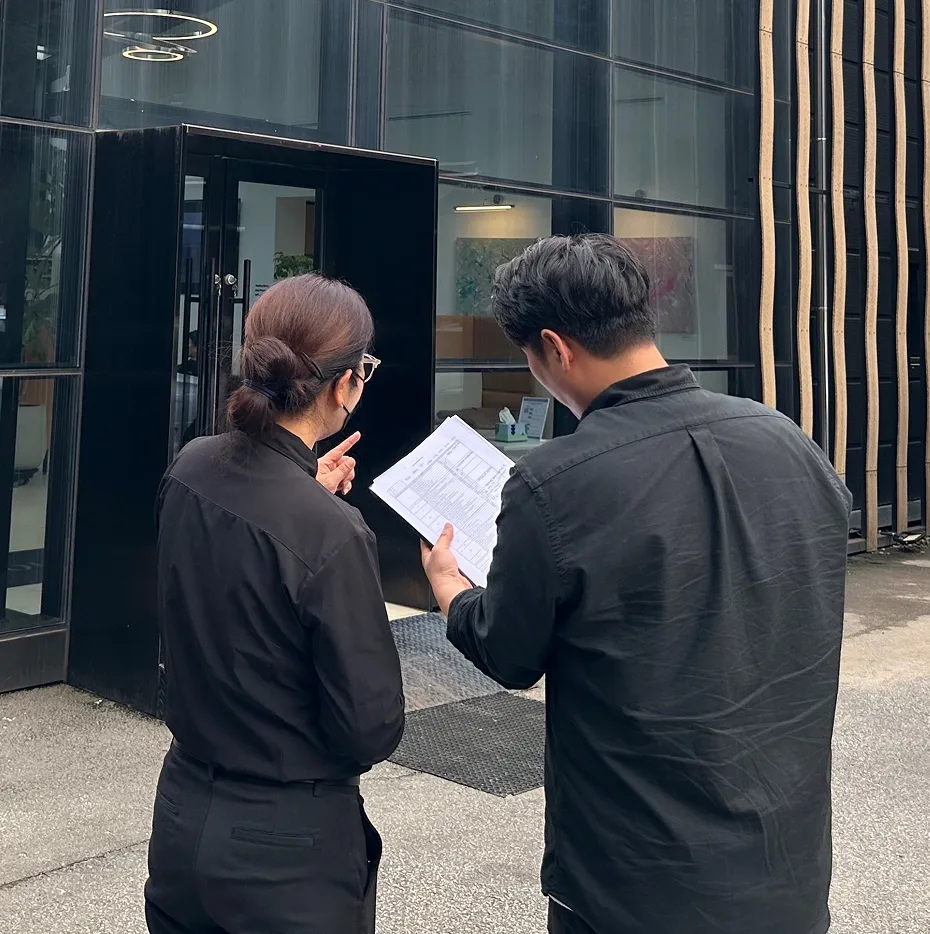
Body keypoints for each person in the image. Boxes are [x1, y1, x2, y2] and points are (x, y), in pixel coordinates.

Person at [421, 234, 851, 934]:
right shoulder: (788, 442)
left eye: (528, 356)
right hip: (786, 872)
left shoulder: (554, 483)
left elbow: (509, 653)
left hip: (632, 880)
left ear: (554, 348)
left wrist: (451, 592)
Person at [146, 274, 403, 934]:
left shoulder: (190, 466)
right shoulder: (332, 534)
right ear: (345, 384)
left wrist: (305, 488)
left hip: (180, 817)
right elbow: (370, 727)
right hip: (287, 851)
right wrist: (313, 508)